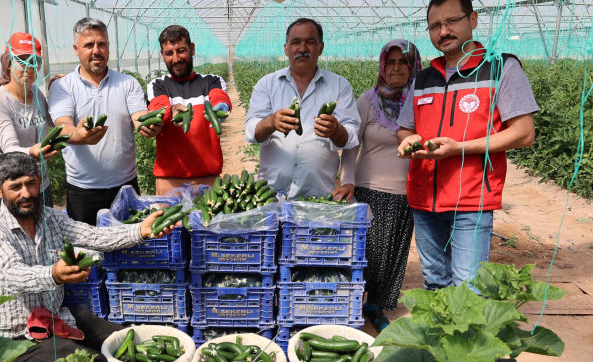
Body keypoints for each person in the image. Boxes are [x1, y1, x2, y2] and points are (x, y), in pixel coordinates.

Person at [0, 152, 178, 362]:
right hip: (14, 338)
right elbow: (11, 275)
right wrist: (54, 274)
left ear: (39, 182)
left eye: (30, 183)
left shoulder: (50, 219)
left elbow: (93, 236)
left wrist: (140, 231)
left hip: (55, 317)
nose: (26, 193)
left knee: (122, 339)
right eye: (15, 187)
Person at [397, 0, 537, 290]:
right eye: (435, 25)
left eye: (452, 21)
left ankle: (469, 337)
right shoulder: (422, 79)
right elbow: (405, 129)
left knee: (468, 287)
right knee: (434, 282)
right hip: (424, 198)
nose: (443, 31)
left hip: (471, 199)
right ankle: (438, 337)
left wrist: (458, 148)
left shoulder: (500, 68)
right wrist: (408, 140)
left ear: (473, 19)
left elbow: (524, 133)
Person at [340, 40, 422, 331]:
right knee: (370, 252)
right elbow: (351, 145)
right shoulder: (368, 100)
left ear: (413, 66)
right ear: (382, 65)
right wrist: (347, 179)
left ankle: (376, 303)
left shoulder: (423, 100)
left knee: (394, 251)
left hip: (408, 190)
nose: (397, 67)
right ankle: (357, 302)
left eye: (404, 62)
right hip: (369, 186)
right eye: (391, 62)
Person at [48, 17, 159, 225]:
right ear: (76, 49)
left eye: (102, 44)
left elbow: (139, 117)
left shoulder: (127, 83)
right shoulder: (63, 86)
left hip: (125, 186)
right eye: (89, 45)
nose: (96, 50)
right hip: (82, 189)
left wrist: (149, 125)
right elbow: (62, 126)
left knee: (129, 249)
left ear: (108, 47)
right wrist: (78, 135)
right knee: (87, 253)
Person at [244, 18, 361, 199]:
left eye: (310, 42)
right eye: (296, 42)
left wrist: (336, 130)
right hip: (271, 196)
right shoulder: (266, 84)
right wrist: (271, 123)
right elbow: (251, 130)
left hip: (319, 196)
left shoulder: (339, 86)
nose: (302, 49)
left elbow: (352, 135)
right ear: (286, 48)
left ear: (320, 48)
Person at [145, 25, 232, 195]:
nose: (176, 58)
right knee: (169, 222)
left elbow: (219, 96)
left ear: (192, 49)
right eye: (169, 53)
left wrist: (220, 107)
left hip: (208, 180)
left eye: (181, 50)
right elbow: (158, 107)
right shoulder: (157, 85)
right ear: (162, 56)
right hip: (169, 182)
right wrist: (170, 111)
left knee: (208, 222)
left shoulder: (212, 81)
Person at [0, 33, 59, 217]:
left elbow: (53, 122)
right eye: (22, 60)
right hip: (7, 188)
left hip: (38, 183)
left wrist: (60, 88)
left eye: (35, 61)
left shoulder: (37, 94)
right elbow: (9, 149)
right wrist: (33, 152)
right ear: (9, 63)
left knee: (42, 238)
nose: (29, 67)